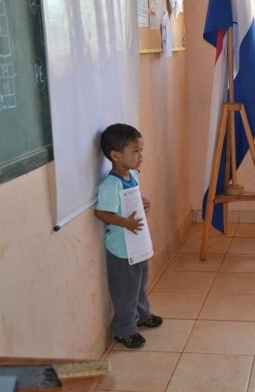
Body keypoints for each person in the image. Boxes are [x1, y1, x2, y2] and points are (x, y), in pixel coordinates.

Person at [95, 123, 162, 349]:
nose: (141, 156)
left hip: (136, 245)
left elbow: (130, 202)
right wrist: (125, 222)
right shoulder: (110, 184)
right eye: (135, 151)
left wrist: (142, 203)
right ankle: (125, 330)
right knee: (126, 291)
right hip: (121, 250)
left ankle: (142, 316)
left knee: (140, 284)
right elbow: (102, 212)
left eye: (141, 150)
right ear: (115, 155)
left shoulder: (132, 176)